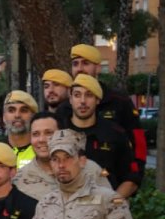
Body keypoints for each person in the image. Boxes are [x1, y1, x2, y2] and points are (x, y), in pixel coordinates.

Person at [62, 43, 147, 175]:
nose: (80, 68)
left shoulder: (119, 101)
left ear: (98, 68)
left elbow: (138, 140)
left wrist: (135, 175)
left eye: (85, 63)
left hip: (112, 185)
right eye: (75, 64)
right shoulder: (65, 107)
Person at [63, 74, 140, 198]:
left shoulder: (115, 134)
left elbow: (131, 179)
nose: (83, 101)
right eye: (77, 95)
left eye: (89, 95)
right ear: (70, 99)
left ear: (98, 99)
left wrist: (111, 205)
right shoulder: (58, 130)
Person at [15, 112, 107, 202]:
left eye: (48, 133)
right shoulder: (20, 179)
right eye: (35, 134)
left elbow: (112, 208)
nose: (41, 139)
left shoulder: (91, 169)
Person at [4, 90, 38, 168]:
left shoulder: (42, 152)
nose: (17, 115)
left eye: (24, 110)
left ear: (33, 117)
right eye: (11, 110)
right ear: (4, 117)